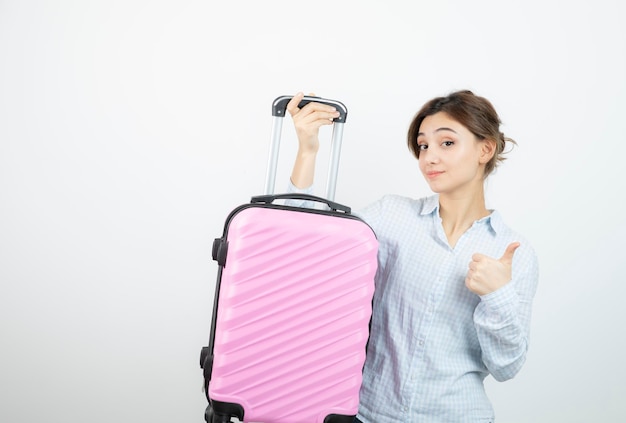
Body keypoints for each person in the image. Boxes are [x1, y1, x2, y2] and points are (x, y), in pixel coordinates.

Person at [284, 90, 539, 423]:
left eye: (446, 143)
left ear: (485, 149)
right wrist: (308, 149)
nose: (430, 157)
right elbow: (304, 243)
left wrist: (498, 296)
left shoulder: (513, 252)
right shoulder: (391, 216)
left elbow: (507, 367)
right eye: (423, 146)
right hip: (368, 414)